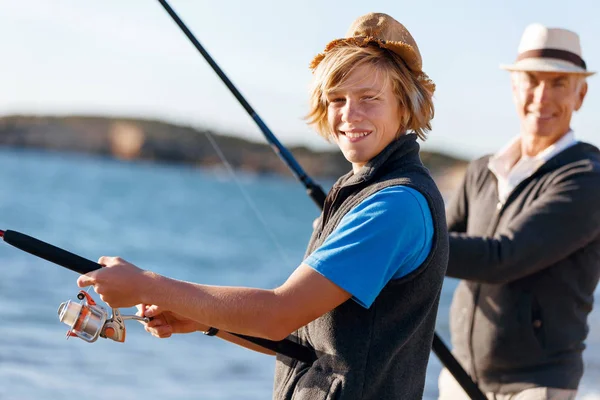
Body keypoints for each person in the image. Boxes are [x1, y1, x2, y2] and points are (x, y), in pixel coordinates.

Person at [78, 13, 449, 399]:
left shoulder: (395, 206)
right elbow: (299, 337)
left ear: (404, 106)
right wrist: (204, 320)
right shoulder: (358, 194)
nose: (349, 114)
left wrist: (147, 285)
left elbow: (278, 313)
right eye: (337, 99)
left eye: (369, 99)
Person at [439, 23, 600, 400]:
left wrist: (401, 244)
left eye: (559, 83)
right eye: (532, 80)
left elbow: (503, 257)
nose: (542, 96)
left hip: (536, 386)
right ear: (515, 88)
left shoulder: (587, 178)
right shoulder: (482, 169)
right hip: (459, 375)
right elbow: (438, 241)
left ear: (580, 95)